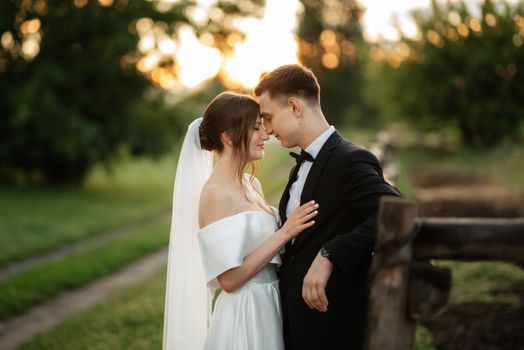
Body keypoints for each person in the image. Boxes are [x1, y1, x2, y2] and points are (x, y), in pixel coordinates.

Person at [254, 64, 401, 350]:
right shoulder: (299, 167)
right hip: (296, 324)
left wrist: (329, 255)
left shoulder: (350, 160)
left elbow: (395, 213)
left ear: (295, 106)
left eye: (268, 118)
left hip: (333, 325)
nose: (268, 130)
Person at [162, 91, 319, 350]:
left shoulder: (251, 183)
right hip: (246, 312)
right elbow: (230, 280)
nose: (266, 135)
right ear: (229, 136)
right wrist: (285, 233)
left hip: (271, 301)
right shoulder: (215, 194)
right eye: (256, 128)